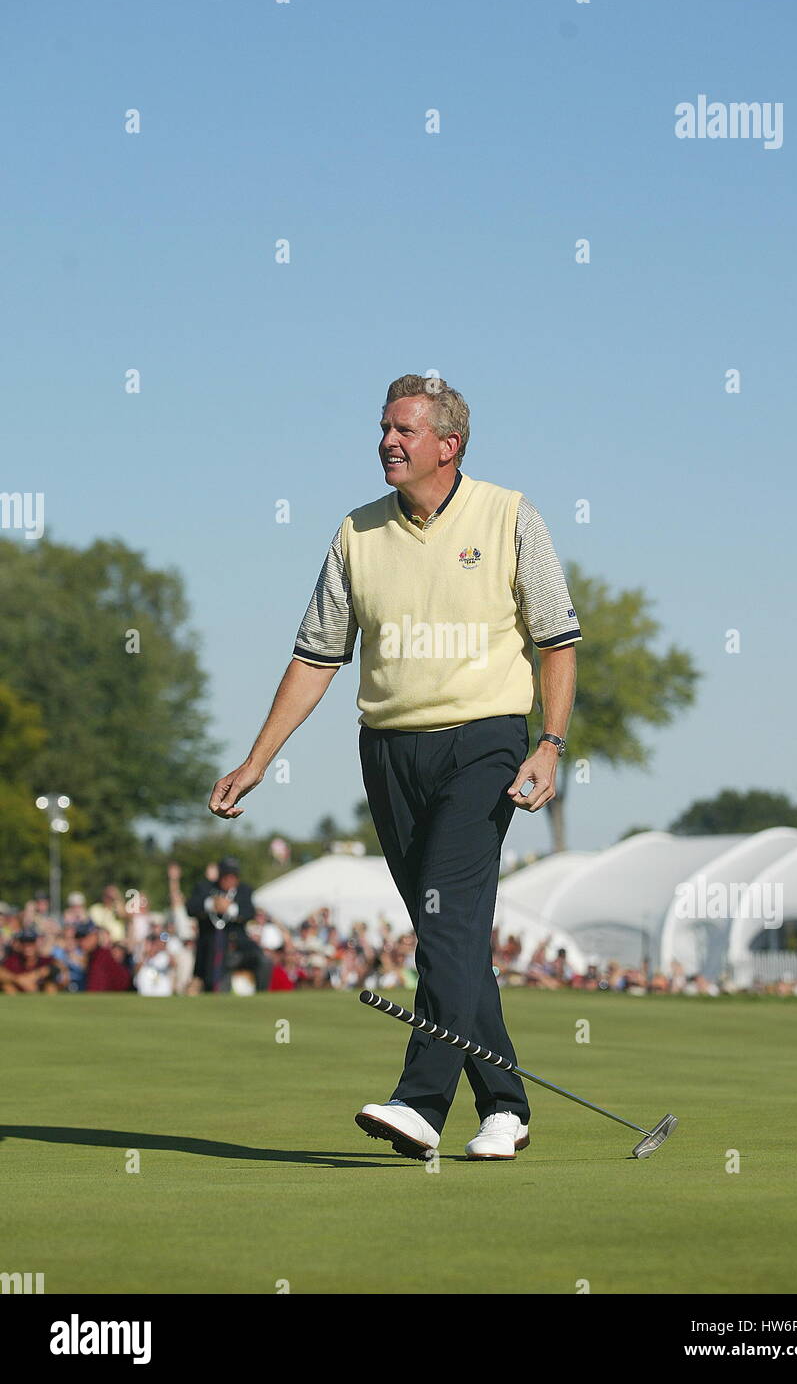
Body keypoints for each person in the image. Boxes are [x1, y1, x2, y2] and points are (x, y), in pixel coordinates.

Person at [207, 374, 580, 1160]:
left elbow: (556, 641)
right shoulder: (355, 532)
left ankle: (420, 1102)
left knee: (445, 925)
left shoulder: (510, 515)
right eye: (383, 428)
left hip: (483, 744)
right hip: (387, 750)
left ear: (449, 445)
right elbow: (316, 656)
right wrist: (257, 757)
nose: (387, 441)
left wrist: (548, 743)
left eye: (404, 430)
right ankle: (505, 1106)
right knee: (449, 934)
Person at [186, 857, 270, 993]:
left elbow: (249, 912)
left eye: (233, 876)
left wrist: (230, 908)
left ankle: (262, 994)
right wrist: (211, 904)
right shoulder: (205, 888)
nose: (229, 880)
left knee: (263, 961)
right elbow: (191, 908)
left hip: (239, 945)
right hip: (212, 947)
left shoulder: (244, 890)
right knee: (216, 971)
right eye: (226, 876)